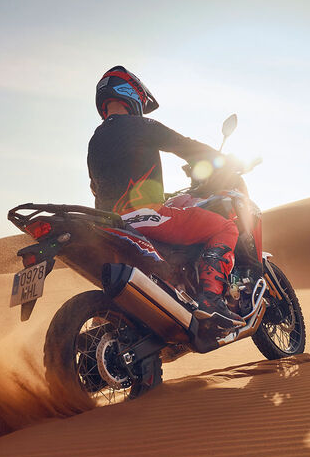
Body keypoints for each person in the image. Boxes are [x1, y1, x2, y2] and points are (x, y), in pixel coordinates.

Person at [87, 65, 245, 332]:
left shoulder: (95, 139)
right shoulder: (141, 125)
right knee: (224, 226)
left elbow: (96, 186)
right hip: (144, 216)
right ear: (132, 94)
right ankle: (211, 298)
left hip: (109, 224)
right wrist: (221, 159)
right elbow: (185, 146)